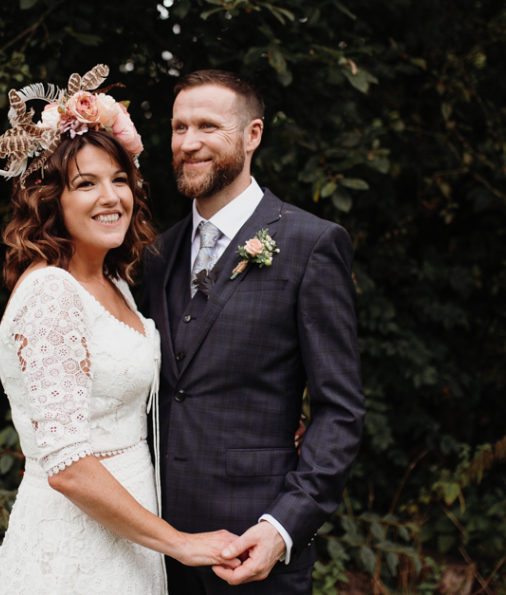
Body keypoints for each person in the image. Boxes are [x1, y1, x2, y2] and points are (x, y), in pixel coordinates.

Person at [0, 64, 238, 594]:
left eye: (119, 180)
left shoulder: (115, 282)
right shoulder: (51, 292)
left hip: (129, 542)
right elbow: (68, 464)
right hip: (74, 549)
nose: (111, 198)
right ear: (51, 198)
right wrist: (180, 542)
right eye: (86, 184)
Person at [141, 69, 365, 593]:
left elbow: (340, 409)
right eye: (178, 128)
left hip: (253, 552)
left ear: (252, 136)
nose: (188, 143)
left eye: (207, 127)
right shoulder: (156, 254)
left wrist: (282, 528)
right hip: (154, 549)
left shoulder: (312, 244)